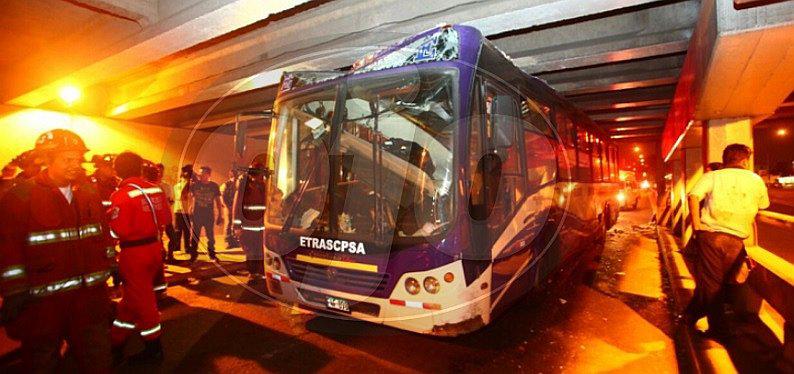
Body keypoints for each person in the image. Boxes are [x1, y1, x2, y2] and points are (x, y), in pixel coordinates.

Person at [0, 129, 115, 372]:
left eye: (78, 159)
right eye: (67, 159)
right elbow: (8, 248)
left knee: (97, 359)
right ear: (47, 159)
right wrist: (15, 290)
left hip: (89, 300)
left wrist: (112, 262)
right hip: (44, 305)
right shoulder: (21, 197)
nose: (75, 165)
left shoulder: (88, 192)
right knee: (42, 361)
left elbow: (102, 233)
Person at [683, 144, 770, 340]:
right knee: (716, 285)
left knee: (711, 284)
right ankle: (711, 326)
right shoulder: (755, 179)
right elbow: (763, 205)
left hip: (710, 236)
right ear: (745, 160)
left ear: (725, 160)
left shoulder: (713, 176)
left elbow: (693, 196)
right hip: (736, 239)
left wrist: (697, 225)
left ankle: (694, 318)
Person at [108, 152, 171, 364]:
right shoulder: (155, 189)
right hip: (154, 248)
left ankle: (154, 349)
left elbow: (118, 231)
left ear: (118, 170)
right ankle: (116, 343)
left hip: (134, 254)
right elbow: (166, 218)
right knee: (130, 302)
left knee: (144, 302)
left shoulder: (121, 195)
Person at [232, 155, 268, 283]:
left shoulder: (263, 187)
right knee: (251, 252)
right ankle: (253, 273)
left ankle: (260, 273)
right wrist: (237, 226)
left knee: (260, 251)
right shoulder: (245, 187)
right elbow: (237, 207)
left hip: (261, 227)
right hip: (247, 227)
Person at [189, 166, 224, 261]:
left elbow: (218, 201)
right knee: (195, 235)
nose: (200, 175)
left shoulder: (214, 186)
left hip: (209, 215)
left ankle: (212, 254)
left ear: (208, 175)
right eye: (200, 173)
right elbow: (190, 198)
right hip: (197, 214)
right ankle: (193, 255)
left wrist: (220, 214)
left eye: (203, 173)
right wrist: (190, 209)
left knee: (210, 236)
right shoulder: (194, 185)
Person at [172, 165, 193, 259]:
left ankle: (187, 247)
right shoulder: (178, 186)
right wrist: (187, 182)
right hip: (179, 210)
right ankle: (177, 247)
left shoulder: (190, 185)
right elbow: (181, 196)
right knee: (178, 230)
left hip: (187, 211)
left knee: (187, 230)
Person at [221, 169, 240, 248]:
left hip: (235, 207)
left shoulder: (238, 184)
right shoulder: (226, 184)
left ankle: (234, 241)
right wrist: (226, 206)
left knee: (235, 224)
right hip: (228, 207)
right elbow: (222, 197)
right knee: (228, 224)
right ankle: (228, 242)